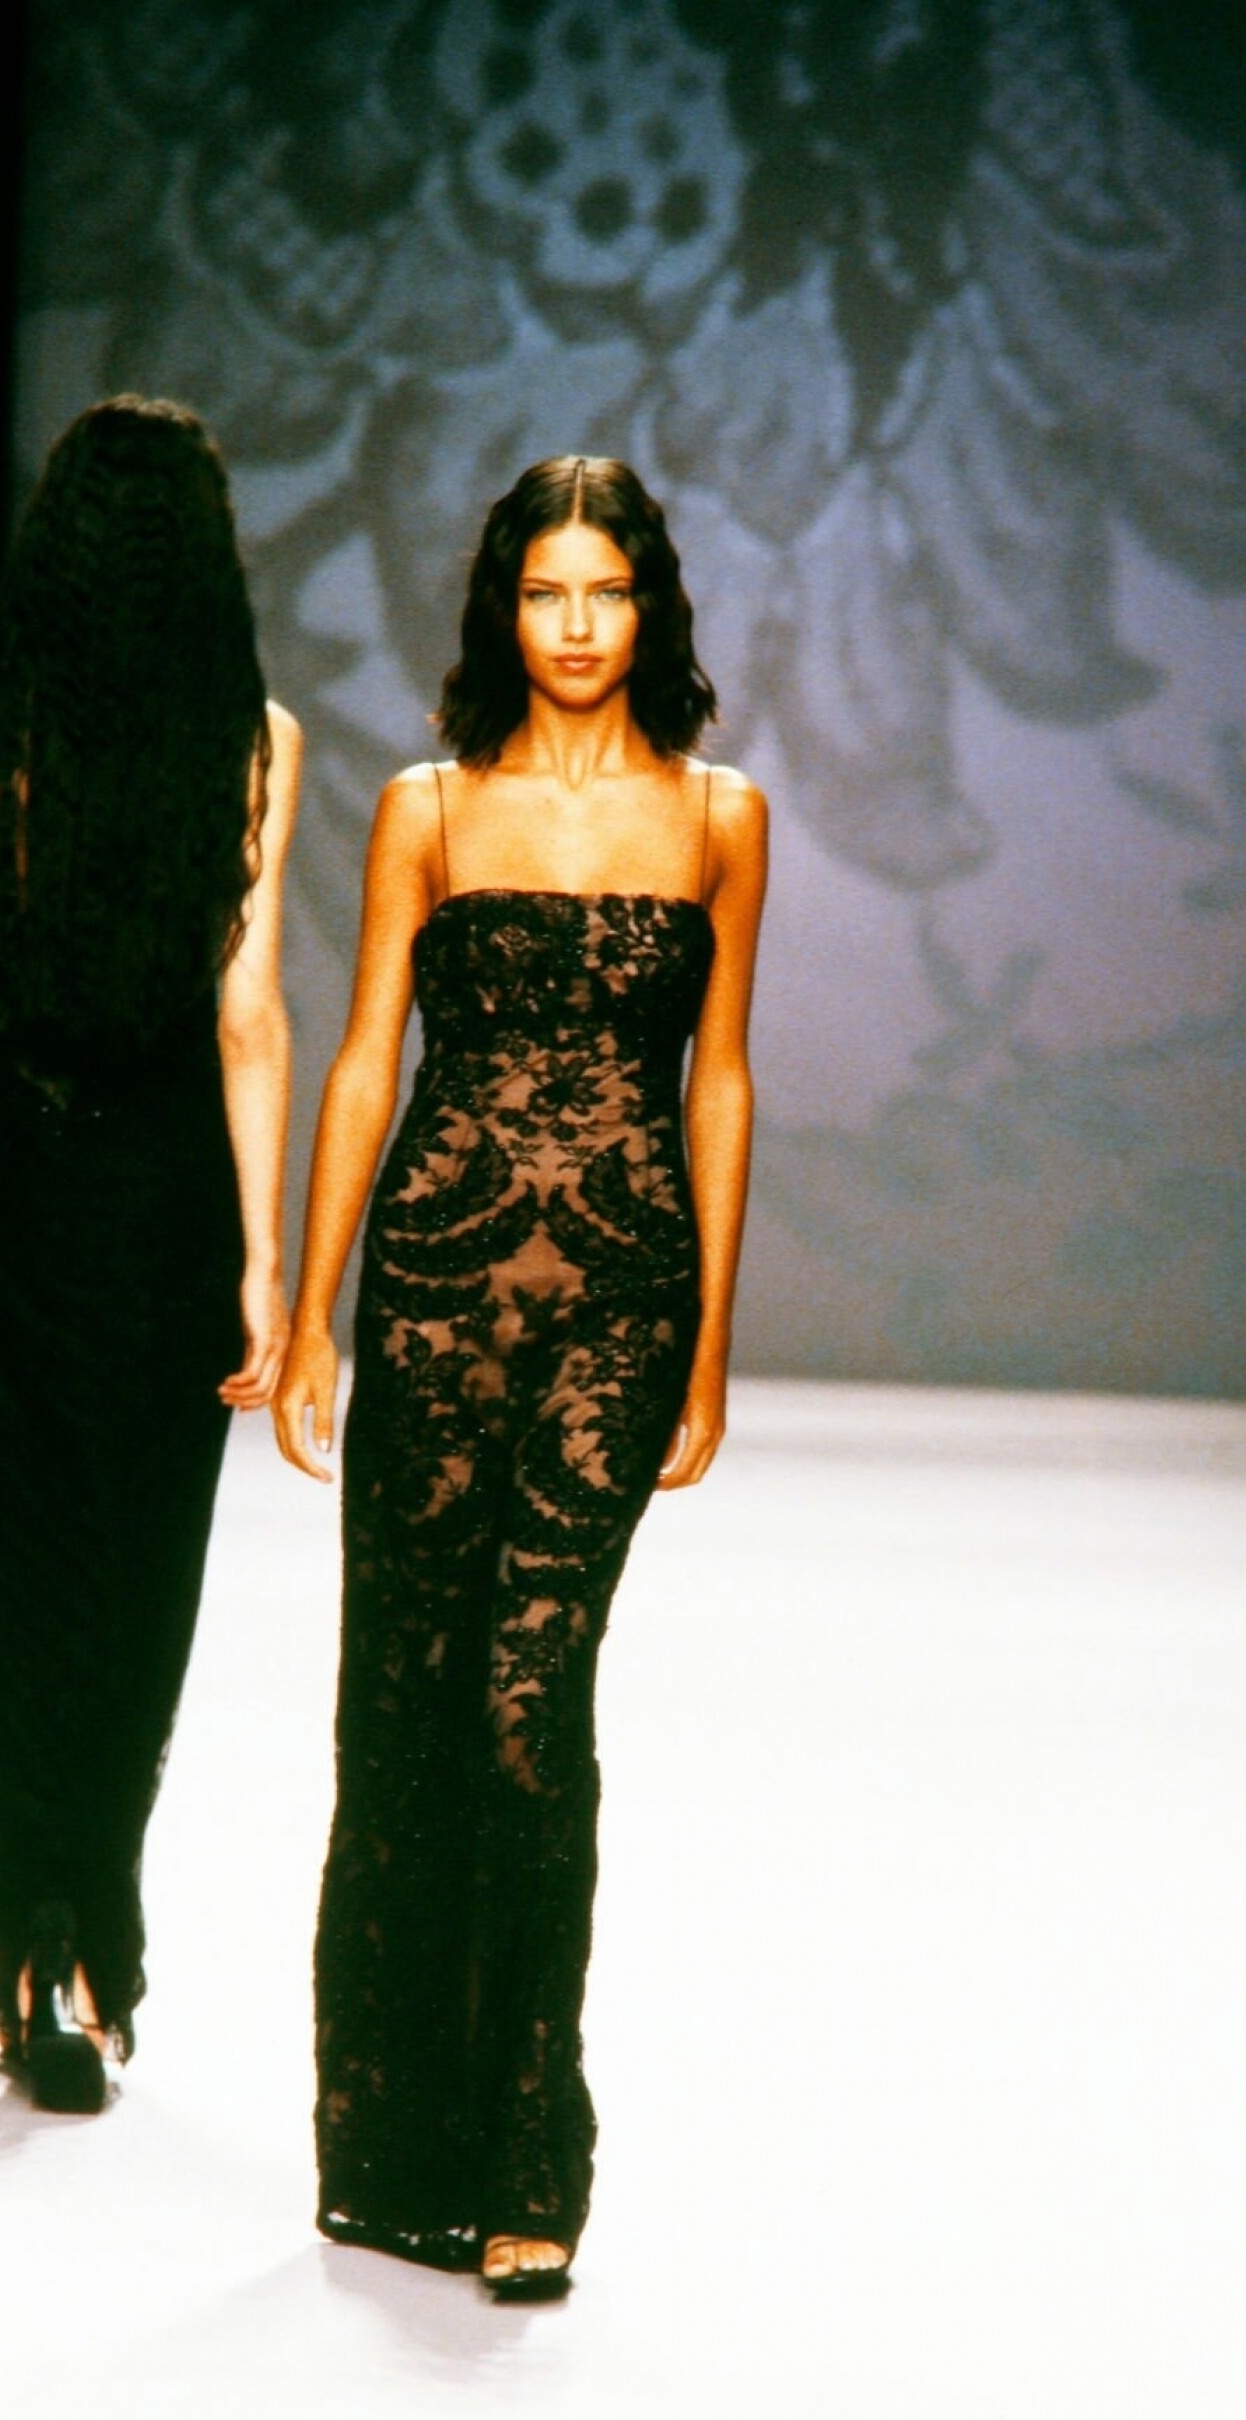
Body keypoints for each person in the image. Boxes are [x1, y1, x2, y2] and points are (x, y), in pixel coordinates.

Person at [274, 455, 766, 2297]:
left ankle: (527, 2156)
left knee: (527, 1700)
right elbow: (363, 1061)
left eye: (605, 592)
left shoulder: (719, 816)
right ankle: (398, 2144)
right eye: (545, 591)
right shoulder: (427, 806)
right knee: (406, 1704)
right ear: (505, 607)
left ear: (650, 612)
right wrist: (311, 1314)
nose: (574, 625)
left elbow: (717, 1080)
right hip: (432, 1294)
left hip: (618, 1305)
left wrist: (711, 1343)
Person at [0, 395, 302, 2111]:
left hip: (7, 1167)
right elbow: (247, 1015)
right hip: (162, 1190)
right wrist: (267, 1261)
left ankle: (23, 1926)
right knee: (140, 1560)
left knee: (10, 1556)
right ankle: (92, 1936)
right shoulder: (249, 736)